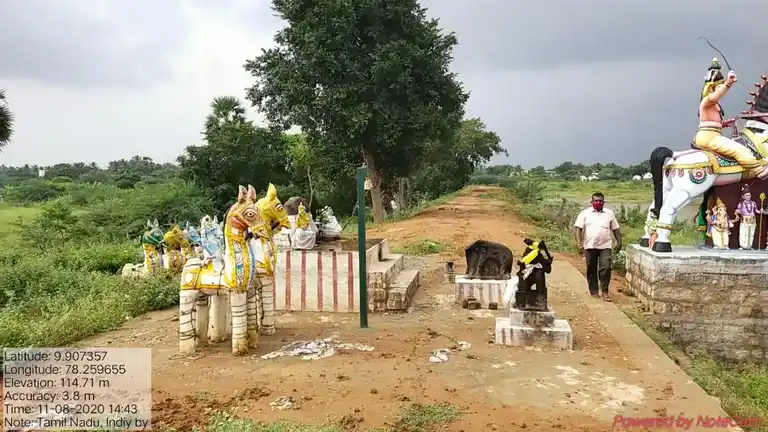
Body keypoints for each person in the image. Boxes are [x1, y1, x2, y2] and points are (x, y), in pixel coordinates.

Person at [694, 58, 768, 178]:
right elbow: (716, 95)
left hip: (713, 135)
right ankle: (759, 171)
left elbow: (712, 122)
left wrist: (725, 123)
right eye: (718, 87)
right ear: (711, 88)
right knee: (740, 150)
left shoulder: (713, 105)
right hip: (709, 138)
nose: (720, 89)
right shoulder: (707, 101)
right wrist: (728, 84)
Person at [574, 192, 622, 299]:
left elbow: (616, 229)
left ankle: (604, 290)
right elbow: (578, 229)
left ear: (604, 202)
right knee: (591, 268)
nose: (598, 203)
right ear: (591, 202)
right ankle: (594, 290)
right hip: (589, 245)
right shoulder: (585, 214)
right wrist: (579, 244)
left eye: (600, 201)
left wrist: (619, 242)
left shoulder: (609, 214)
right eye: (596, 201)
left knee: (606, 267)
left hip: (605, 246)